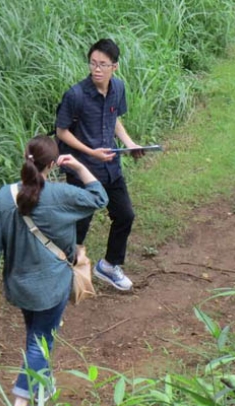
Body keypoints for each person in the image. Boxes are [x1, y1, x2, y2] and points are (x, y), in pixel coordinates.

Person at [0, 135, 108, 406]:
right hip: (52, 284)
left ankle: (43, 383)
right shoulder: (62, 195)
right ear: (52, 164)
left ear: (25, 157)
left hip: (19, 285)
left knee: (36, 334)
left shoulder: (4, 196)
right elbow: (100, 197)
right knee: (40, 341)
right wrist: (77, 165)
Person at [56, 38, 144, 291]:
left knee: (125, 215)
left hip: (111, 167)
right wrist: (91, 152)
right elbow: (62, 132)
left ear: (114, 67)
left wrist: (128, 142)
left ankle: (109, 265)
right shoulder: (75, 95)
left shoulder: (118, 88)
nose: (97, 69)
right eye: (93, 63)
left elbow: (114, 118)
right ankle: (67, 275)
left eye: (103, 64)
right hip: (83, 170)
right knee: (80, 224)